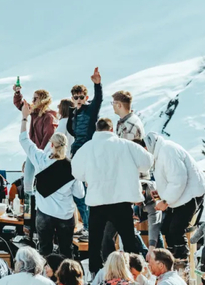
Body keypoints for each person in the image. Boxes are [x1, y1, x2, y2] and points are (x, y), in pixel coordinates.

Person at [71, 117, 152, 274]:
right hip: (121, 201)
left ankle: (95, 273)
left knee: (95, 241)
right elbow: (147, 162)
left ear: (97, 130)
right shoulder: (126, 145)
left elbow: (76, 172)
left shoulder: (87, 148)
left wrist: (88, 176)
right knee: (129, 240)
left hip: (97, 201)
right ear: (111, 129)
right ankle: (134, 271)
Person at [19, 100, 84, 258]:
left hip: (44, 214)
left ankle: (45, 279)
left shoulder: (41, 159)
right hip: (65, 215)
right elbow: (80, 194)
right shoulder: (72, 168)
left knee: (44, 251)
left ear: (52, 145)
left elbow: (24, 140)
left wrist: (24, 118)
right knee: (66, 252)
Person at [143, 132, 205, 258]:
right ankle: (174, 257)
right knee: (167, 228)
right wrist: (161, 194)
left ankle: (182, 259)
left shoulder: (167, 152)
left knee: (176, 230)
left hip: (190, 194)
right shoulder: (160, 154)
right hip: (180, 196)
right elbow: (169, 179)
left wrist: (165, 200)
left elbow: (178, 180)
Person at [68, 68, 104, 229]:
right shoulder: (73, 113)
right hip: (77, 155)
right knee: (78, 193)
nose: (79, 99)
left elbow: (99, 100)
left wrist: (98, 85)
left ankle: (91, 227)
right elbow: (71, 130)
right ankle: (86, 224)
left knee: (89, 192)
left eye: (81, 97)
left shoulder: (91, 110)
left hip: (89, 154)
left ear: (86, 97)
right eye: (76, 97)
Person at [13, 85, 58, 192]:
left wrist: (39, 154)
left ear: (42, 99)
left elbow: (48, 137)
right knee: (28, 182)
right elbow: (21, 105)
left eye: (35, 98)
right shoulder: (34, 112)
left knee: (41, 182)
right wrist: (17, 93)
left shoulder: (49, 117)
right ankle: (29, 206)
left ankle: (38, 206)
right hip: (32, 152)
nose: (32, 100)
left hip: (42, 155)